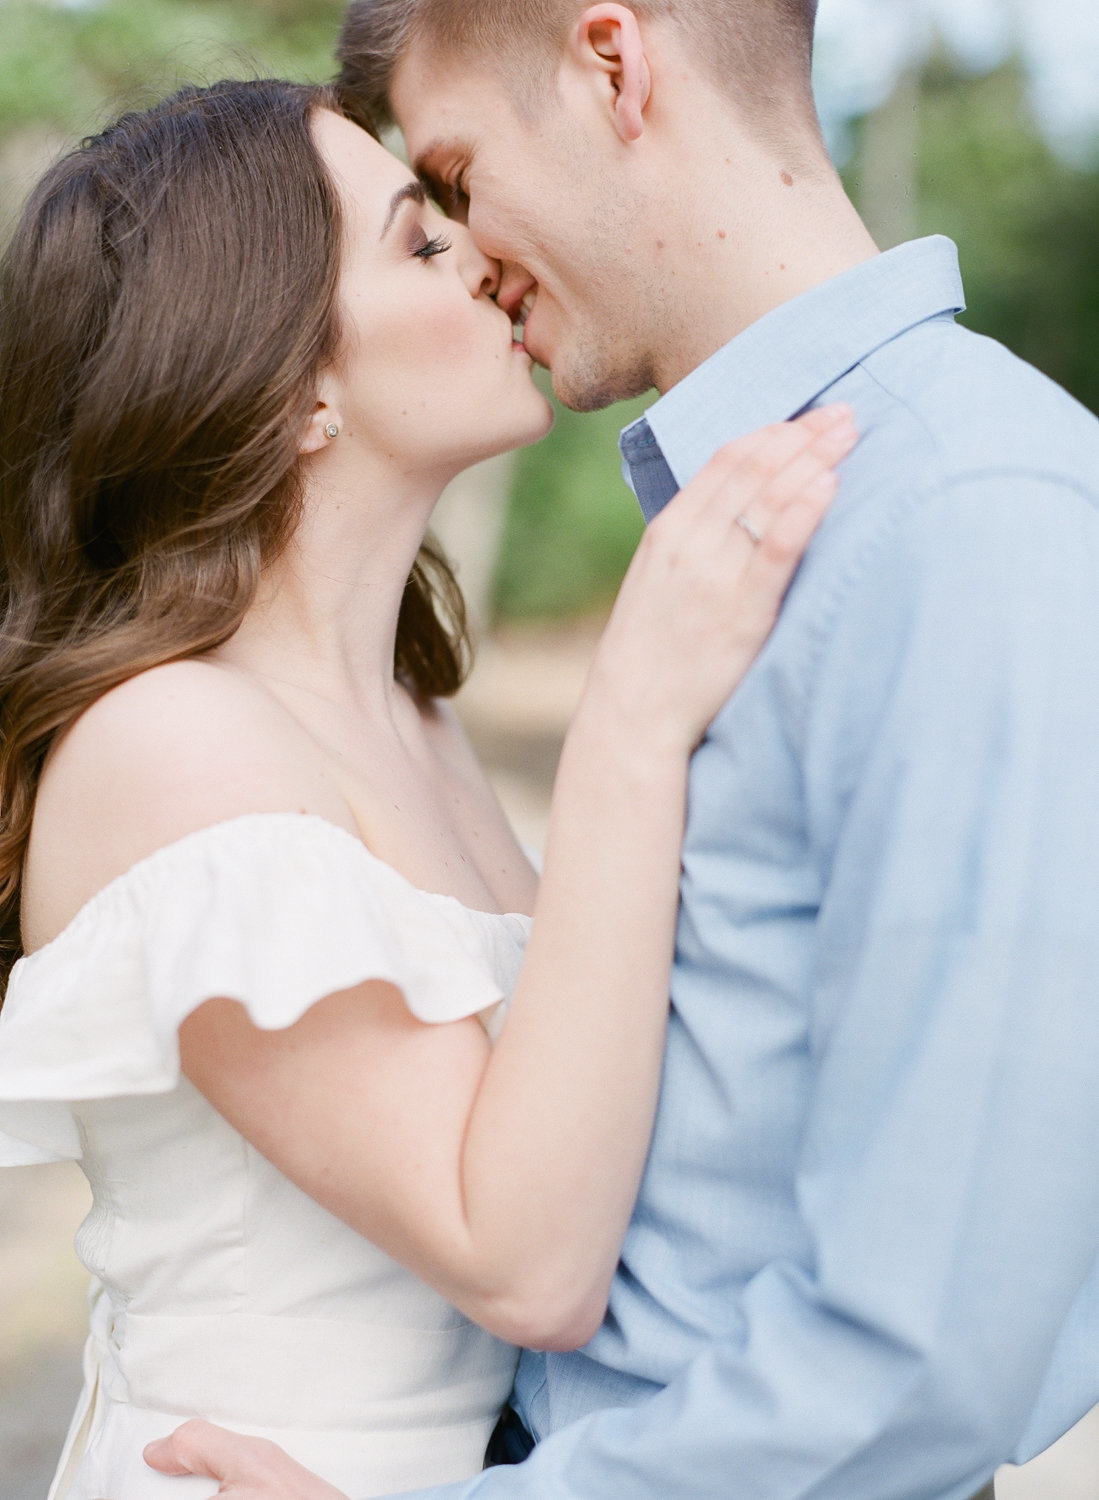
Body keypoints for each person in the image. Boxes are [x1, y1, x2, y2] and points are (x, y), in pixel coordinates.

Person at [137, 2, 1099, 1499]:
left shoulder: (962, 516)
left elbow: (929, 1356)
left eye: (455, 176)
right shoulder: (785, 523)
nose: (467, 249)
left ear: (610, 62)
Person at [0, 74, 855, 1500]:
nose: (479, 252)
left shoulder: (417, 718)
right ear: (290, 384)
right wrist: (634, 720)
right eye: (415, 240)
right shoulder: (168, 742)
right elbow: (523, 1261)